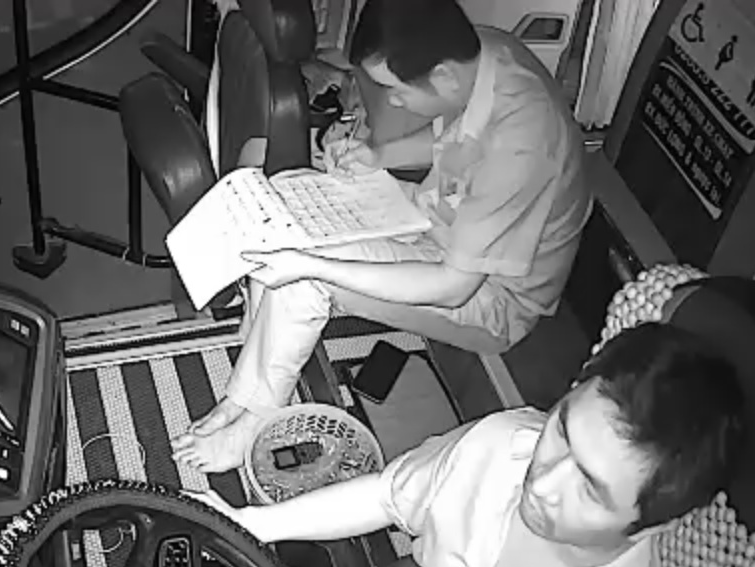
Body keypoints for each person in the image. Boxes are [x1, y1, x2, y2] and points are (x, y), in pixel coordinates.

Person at [186, 322, 746, 567]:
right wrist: (252, 525)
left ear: (650, 525)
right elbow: (387, 495)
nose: (543, 483)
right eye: (562, 432)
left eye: (591, 490)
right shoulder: (502, 443)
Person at [172, 0, 592, 473]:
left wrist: (318, 266)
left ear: (443, 76)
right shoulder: (484, 53)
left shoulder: (523, 144)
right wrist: (379, 156)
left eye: (395, 90)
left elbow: (454, 287)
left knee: (306, 277)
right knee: (284, 193)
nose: (391, 103)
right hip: (443, 217)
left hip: (489, 296)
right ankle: (250, 377)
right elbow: (457, 140)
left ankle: (256, 419)